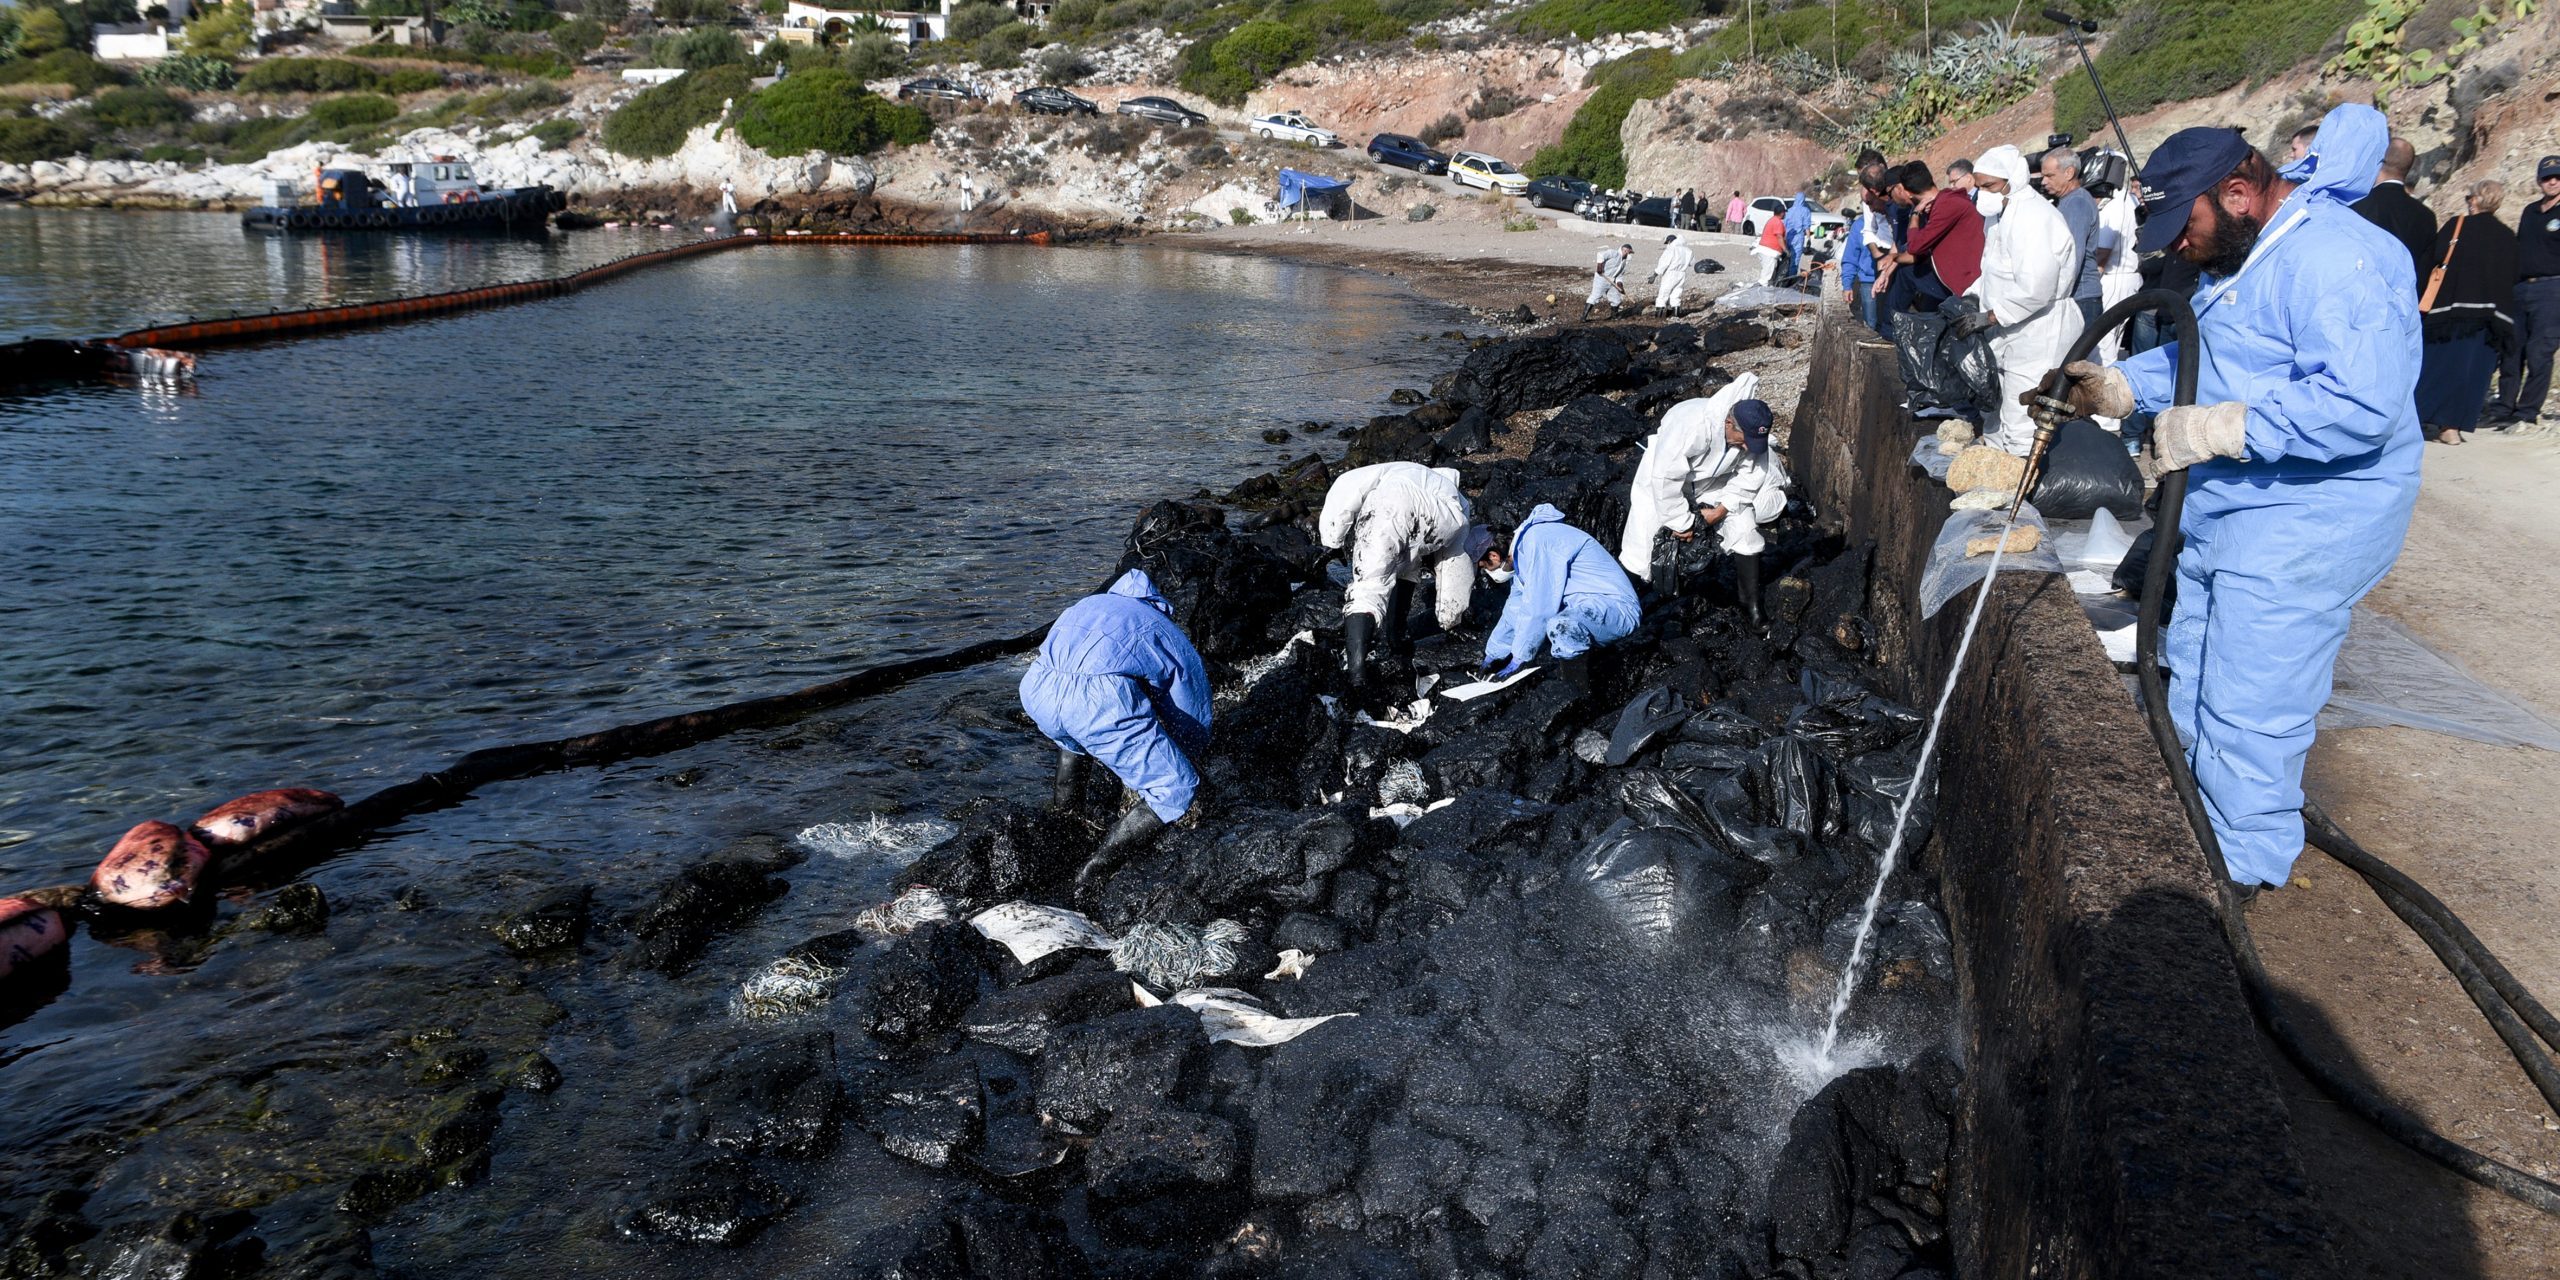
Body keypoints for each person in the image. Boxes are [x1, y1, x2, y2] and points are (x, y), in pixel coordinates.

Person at [2053, 105, 2420, 895]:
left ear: (2240, 191)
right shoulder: (2251, 259)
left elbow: (2362, 403)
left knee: (2253, 704)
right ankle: (2194, 823)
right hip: (2238, 514)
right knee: (2195, 670)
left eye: (2186, 227)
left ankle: (2238, 875)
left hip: (2311, 520)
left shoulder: (2336, 260)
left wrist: (2221, 428)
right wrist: (2119, 386)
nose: (2179, 248)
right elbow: (2214, 360)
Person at [1020, 567, 1213, 894]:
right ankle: (1095, 869)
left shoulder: (1085, 605)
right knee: (1176, 786)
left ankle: (1067, 829)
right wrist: (1188, 756)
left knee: (1074, 743)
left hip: (1037, 690)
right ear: (1155, 601)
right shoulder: (1159, 627)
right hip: (1096, 703)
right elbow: (1191, 706)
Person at [1617, 376, 1789, 623]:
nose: (1748, 448)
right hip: (1662, 477)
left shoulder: (1750, 438)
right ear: (1729, 423)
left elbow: (1752, 475)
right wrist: (1683, 522)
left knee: (1745, 529)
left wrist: (1722, 509)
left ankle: (1750, 604)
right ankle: (1619, 607)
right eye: (1745, 442)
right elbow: (1667, 479)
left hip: (1714, 481)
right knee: (1641, 547)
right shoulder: (1692, 426)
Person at [1318, 461, 1486, 696]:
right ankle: (1396, 637)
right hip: (1441, 521)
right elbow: (1456, 562)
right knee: (1409, 566)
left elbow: (1346, 486)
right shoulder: (1458, 499)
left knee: (1369, 588)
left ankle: (1356, 677)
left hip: (1391, 506)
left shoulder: (1397, 470)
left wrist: (1332, 540)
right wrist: (1451, 616)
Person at [1966, 145, 2081, 455]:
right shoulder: (2000, 215)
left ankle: (2020, 493)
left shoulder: (2033, 217)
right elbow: (1993, 272)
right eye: (1978, 187)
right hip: (2007, 326)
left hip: (2038, 329)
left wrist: (1989, 316)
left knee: (2023, 416)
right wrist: (1969, 300)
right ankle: (1994, 481)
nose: (1982, 193)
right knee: (1995, 409)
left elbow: (2036, 288)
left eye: (1988, 186)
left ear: (2011, 180)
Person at [1477, 503, 1641, 690]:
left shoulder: (1537, 543)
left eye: (1485, 567)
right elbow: (1516, 608)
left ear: (1494, 556)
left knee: (1560, 627)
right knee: (1556, 624)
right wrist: (1493, 655)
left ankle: (1577, 694)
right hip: (1587, 607)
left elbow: (1538, 608)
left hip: (1616, 608)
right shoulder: (1523, 552)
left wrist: (1520, 659)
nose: (1488, 572)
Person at [2415, 179, 2519, 443]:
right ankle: (2451, 428)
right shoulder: (2507, 236)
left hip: (2449, 315)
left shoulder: (2457, 226)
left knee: (2438, 367)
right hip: (2489, 320)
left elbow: (2434, 257)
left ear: (2475, 200)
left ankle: (2420, 419)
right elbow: (2512, 276)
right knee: (2472, 374)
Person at [2487, 154, 2560, 429]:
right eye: (2547, 177)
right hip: (2520, 288)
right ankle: (2504, 406)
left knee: (2540, 351)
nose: (2552, 181)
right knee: (2511, 349)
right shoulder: (2530, 211)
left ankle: (2527, 411)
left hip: (2552, 288)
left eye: (2557, 177)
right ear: (2539, 180)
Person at [1894, 162, 1984, 312]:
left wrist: (1915, 215)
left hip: (1967, 283)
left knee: (1907, 272)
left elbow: (1915, 246)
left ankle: (1888, 327)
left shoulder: (1947, 204)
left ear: (1909, 193)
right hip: (1955, 279)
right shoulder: (1945, 201)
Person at [2351, 136, 2438, 286]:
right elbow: (2424, 271)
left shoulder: (2357, 204)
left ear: (2378, 162)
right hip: (2404, 302)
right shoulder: (2426, 217)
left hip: (2362, 297)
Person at [2041, 146, 2106, 328]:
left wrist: (2054, 295)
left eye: (2050, 175)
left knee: (2076, 356)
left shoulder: (2076, 203)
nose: (2044, 181)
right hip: (2077, 296)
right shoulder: (2069, 201)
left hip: (2080, 297)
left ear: (2069, 173)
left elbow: (2071, 255)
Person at [2094, 175, 2144, 364]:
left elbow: (2103, 252)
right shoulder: (2128, 202)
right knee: (2112, 338)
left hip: (2115, 276)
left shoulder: (2116, 205)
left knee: (2104, 342)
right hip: (2128, 275)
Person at [1841, 206, 1878, 328]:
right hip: (1869, 283)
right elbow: (1850, 258)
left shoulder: (1898, 219)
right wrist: (1847, 285)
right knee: (1871, 326)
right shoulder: (1859, 225)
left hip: (1895, 282)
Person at [1648, 233, 1694, 313]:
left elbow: (1664, 263)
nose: (1667, 244)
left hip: (1670, 273)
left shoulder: (1671, 249)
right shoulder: (1687, 250)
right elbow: (1692, 263)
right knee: (1676, 294)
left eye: (1667, 242)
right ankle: (1676, 315)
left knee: (1663, 295)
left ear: (1670, 241)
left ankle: (1659, 316)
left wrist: (1654, 275)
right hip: (1682, 273)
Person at [1584, 243, 1631, 320]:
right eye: (1627, 251)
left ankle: (1614, 316)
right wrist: (1599, 266)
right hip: (1602, 277)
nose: (1627, 253)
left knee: (1616, 299)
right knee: (1595, 296)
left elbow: (1619, 276)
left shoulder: (1624, 263)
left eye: (1629, 252)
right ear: (1624, 250)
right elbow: (1600, 254)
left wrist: (1620, 286)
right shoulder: (1614, 253)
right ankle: (1583, 317)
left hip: (1612, 280)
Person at [1782, 190, 1813, 282]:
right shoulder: (1805, 211)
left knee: (1786, 257)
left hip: (1788, 237)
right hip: (1798, 237)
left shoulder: (1789, 210)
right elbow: (1807, 226)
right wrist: (1808, 238)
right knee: (1795, 259)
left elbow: (1784, 225)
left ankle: (1784, 276)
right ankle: (1791, 279)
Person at [1751, 212, 1787, 285]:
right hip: (1769, 252)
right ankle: (1762, 291)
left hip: (1763, 249)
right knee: (1766, 277)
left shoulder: (1771, 220)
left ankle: (1765, 287)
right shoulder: (1778, 222)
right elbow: (1779, 237)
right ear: (1782, 213)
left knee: (1768, 272)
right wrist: (1785, 249)